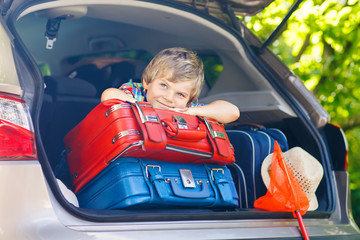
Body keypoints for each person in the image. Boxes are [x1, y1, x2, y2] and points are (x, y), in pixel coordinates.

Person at [101, 47, 239, 124]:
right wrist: (143, 108)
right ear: (147, 82)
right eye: (164, 85)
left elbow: (232, 112)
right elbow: (109, 95)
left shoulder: (185, 109)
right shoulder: (135, 93)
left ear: (188, 100)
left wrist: (192, 112)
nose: (168, 98)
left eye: (180, 94)